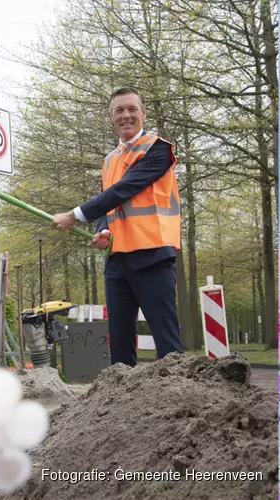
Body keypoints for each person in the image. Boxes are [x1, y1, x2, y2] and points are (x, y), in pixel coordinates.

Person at [50, 87, 182, 367]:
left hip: (153, 255)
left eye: (132, 109)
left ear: (143, 113)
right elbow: (108, 205)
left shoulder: (158, 150)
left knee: (167, 344)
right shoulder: (109, 160)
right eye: (119, 110)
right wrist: (103, 228)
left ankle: (177, 405)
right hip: (117, 260)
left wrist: (76, 214)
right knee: (119, 350)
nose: (126, 115)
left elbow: (125, 189)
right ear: (111, 117)